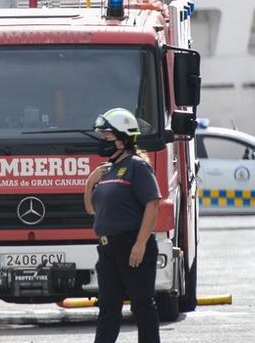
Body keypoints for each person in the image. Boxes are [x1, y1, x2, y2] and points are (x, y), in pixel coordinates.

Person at [84, 108, 161, 343]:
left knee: (142, 306)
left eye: (107, 136)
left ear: (124, 138)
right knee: (108, 308)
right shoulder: (107, 170)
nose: (103, 141)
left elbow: (153, 204)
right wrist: (90, 183)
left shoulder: (137, 166)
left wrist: (140, 244)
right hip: (107, 248)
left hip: (131, 246)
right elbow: (92, 209)